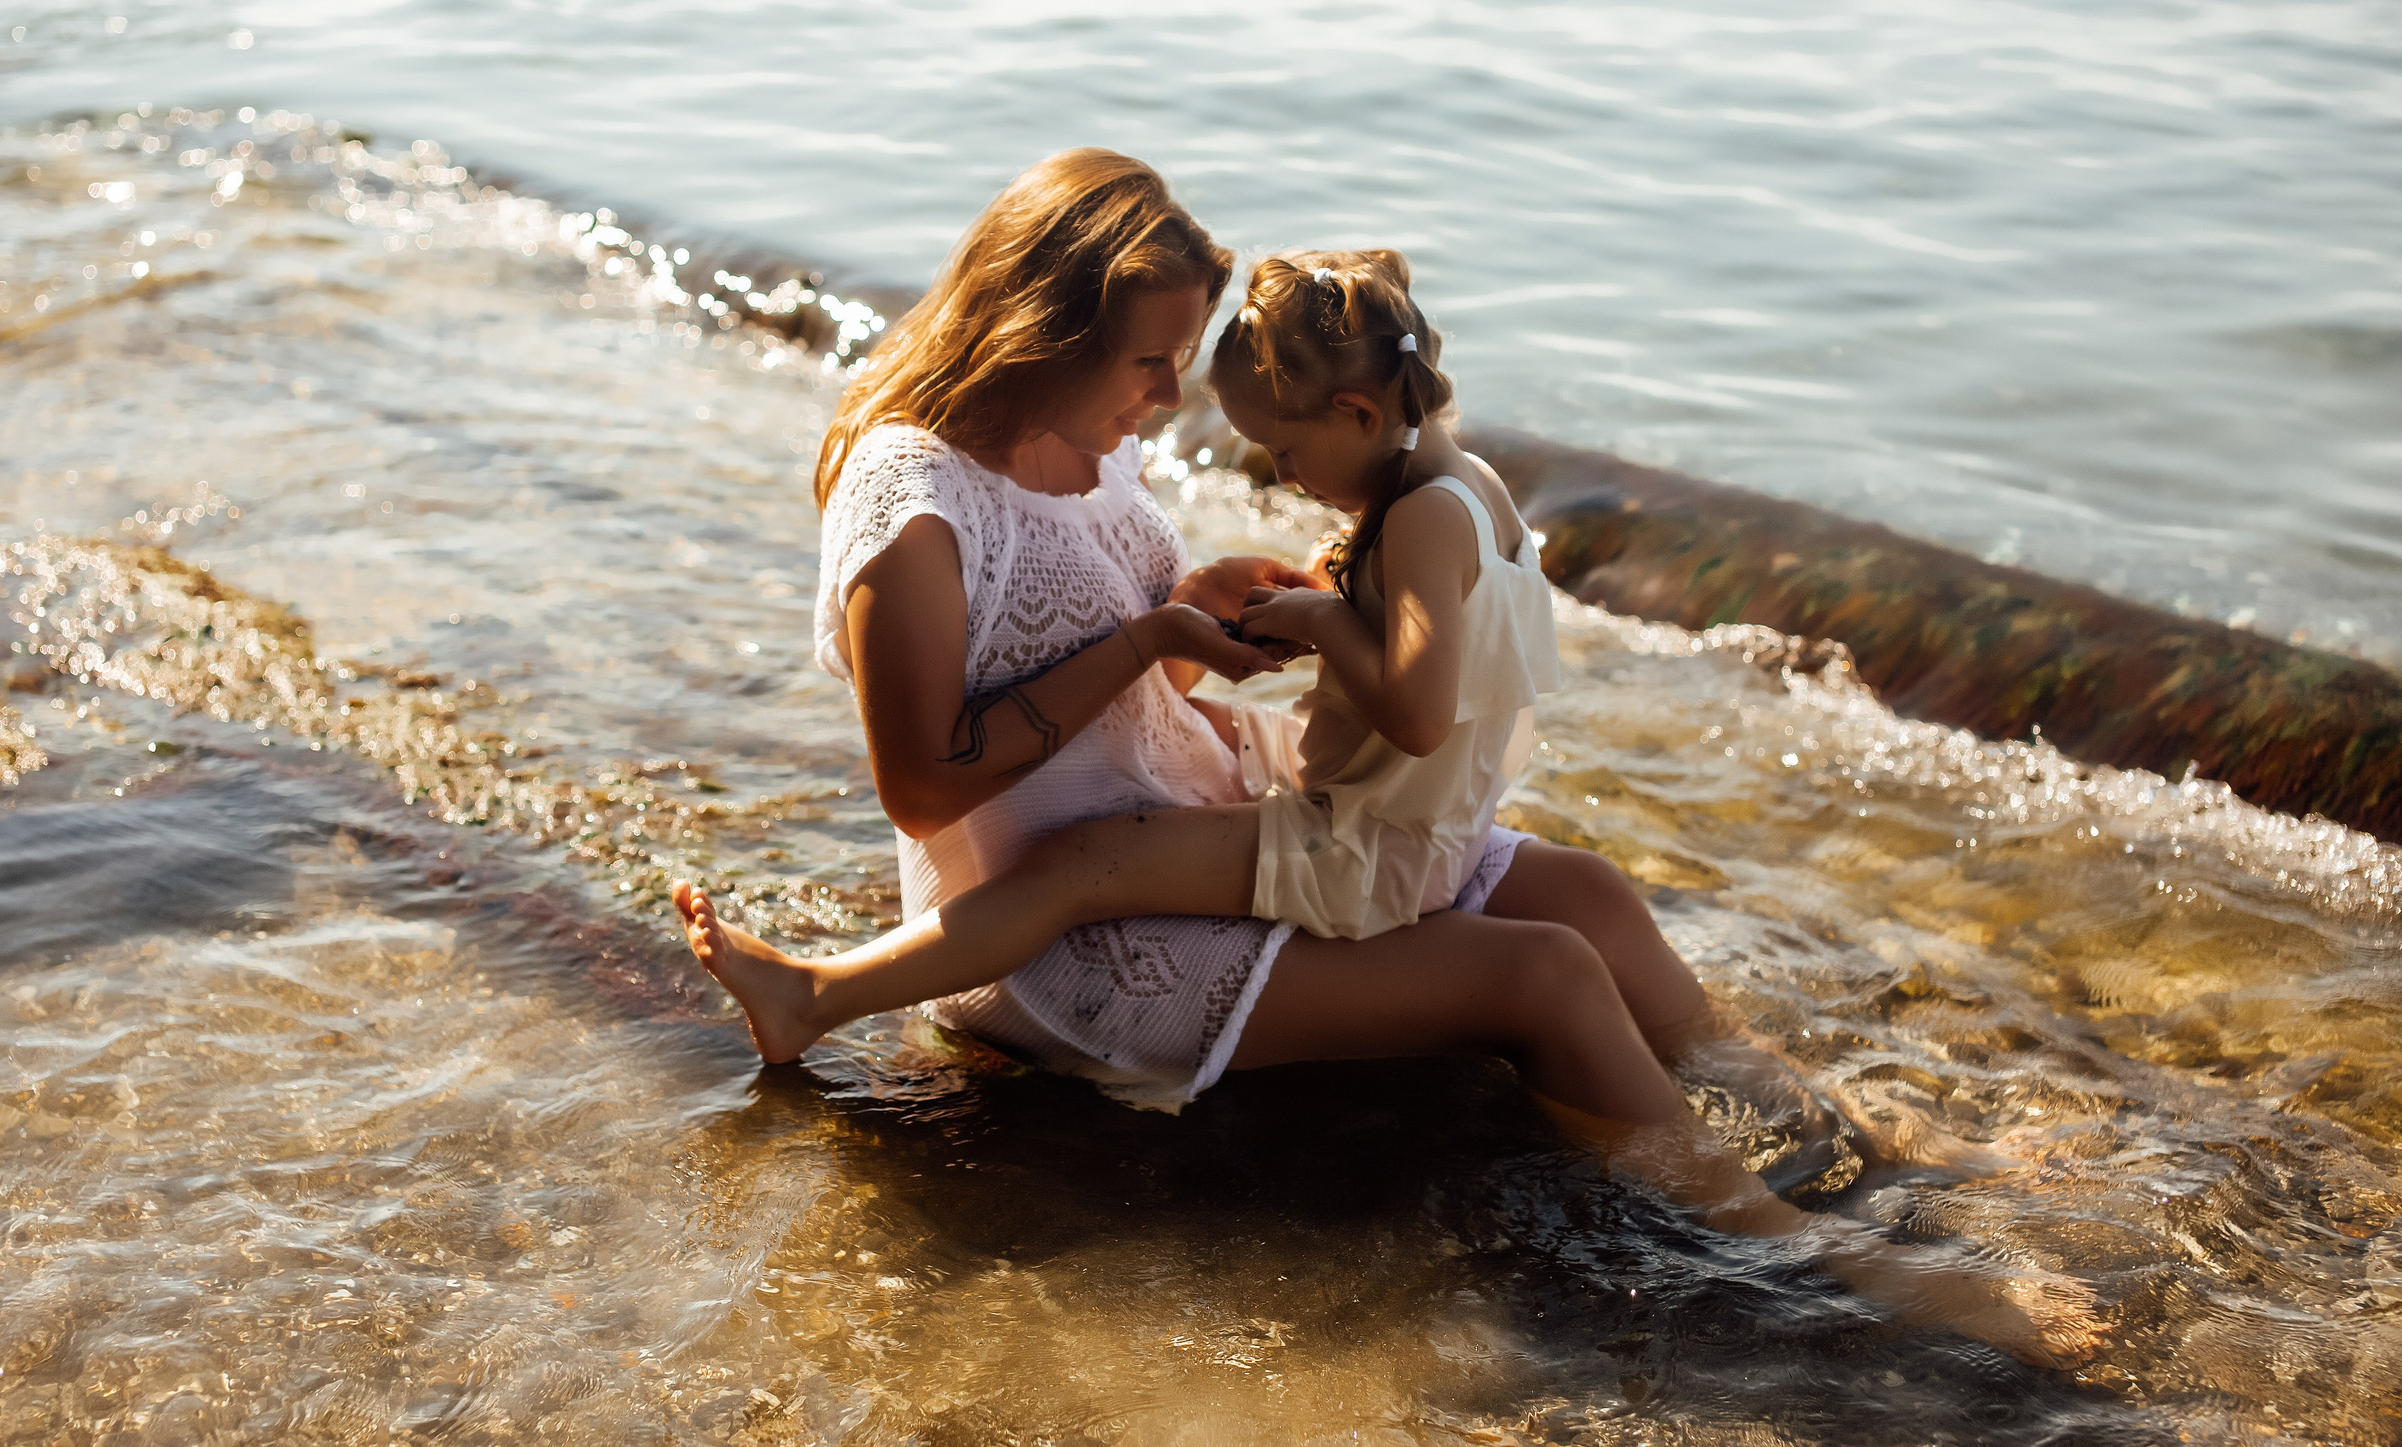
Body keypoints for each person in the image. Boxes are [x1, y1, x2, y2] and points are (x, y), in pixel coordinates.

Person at [674, 151, 2101, 1364]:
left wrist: (1196, 613)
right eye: (1150, 362)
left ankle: (1863, 1154)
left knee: (1589, 897)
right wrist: (1146, 639)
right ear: (1045, 329)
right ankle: (1811, 1251)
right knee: (1542, 979)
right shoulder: (915, 501)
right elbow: (926, 782)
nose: (1167, 397)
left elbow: (1129, 668)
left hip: (1199, 826)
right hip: (1067, 924)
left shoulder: (1092, 439)